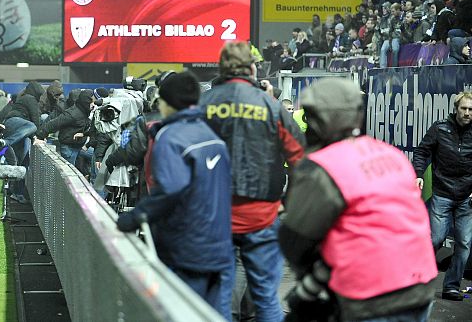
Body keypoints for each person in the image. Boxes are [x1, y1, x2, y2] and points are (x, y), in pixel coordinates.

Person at [280, 78, 437, 320]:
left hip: (370, 295)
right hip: (421, 285)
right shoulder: (390, 153)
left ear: (318, 121)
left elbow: (296, 240)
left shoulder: (322, 167)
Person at [198, 42, 305, 322]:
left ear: (221, 67)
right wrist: (288, 204)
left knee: (220, 292)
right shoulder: (270, 105)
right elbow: (300, 158)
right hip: (262, 213)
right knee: (266, 296)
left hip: (214, 214)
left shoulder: (204, 104)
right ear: (253, 68)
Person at [116, 72, 233, 318]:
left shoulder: (170, 137)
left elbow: (171, 189)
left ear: (167, 102)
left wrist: (134, 217)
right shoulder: (212, 135)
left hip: (187, 247)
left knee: (181, 313)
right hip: (220, 244)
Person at [413, 91, 472, 301]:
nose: (467, 113)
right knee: (436, 238)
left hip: (466, 197)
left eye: (471, 110)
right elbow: (422, 151)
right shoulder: (440, 128)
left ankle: (452, 287)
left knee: (464, 244)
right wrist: (419, 174)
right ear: (456, 109)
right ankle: (417, 279)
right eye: (464, 108)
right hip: (442, 193)